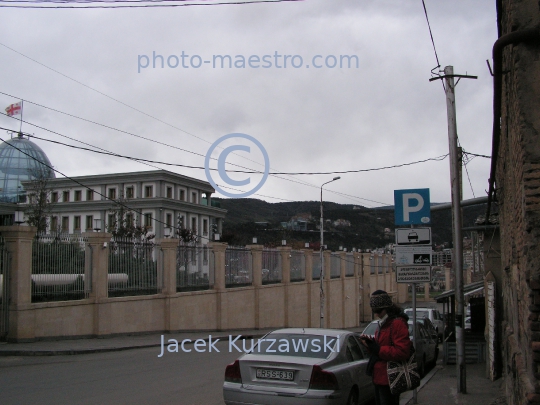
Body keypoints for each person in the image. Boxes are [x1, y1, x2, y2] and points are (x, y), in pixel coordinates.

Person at [360, 290, 411, 405]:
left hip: (390, 379)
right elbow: (381, 347)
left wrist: (377, 349)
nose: (376, 314)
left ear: (387, 308)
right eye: (374, 311)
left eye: (378, 311)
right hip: (379, 377)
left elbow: (402, 351)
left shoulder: (397, 324)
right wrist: (370, 344)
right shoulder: (382, 324)